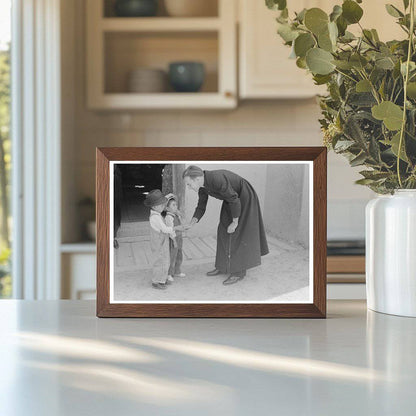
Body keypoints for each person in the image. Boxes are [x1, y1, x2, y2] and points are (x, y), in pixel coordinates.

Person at [183, 165, 269, 285]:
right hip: (231, 200)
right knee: (223, 230)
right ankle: (222, 266)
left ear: (196, 179)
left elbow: (235, 199)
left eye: (188, 184)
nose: (189, 187)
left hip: (243, 197)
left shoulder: (216, 179)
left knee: (238, 233)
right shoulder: (202, 186)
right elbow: (201, 206)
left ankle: (238, 272)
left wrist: (235, 222)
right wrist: (192, 223)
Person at [144, 189, 185, 290]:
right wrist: (176, 228)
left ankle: (162, 279)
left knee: (165, 261)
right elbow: (165, 229)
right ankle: (156, 281)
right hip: (159, 244)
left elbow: (161, 203)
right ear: (154, 206)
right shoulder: (155, 218)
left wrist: (167, 197)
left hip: (162, 243)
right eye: (161, 205)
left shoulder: (156, 212)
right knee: (160, 262)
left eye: (163, 204)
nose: (163, 207)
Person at [165, 195, 186, 280]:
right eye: (173, 205)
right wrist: (173, 240)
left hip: (179, 238)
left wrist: (179, 214)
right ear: (167, 208)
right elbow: (170, 230)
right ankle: (169, 273)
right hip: (173, 239)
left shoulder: (176, 215)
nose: (176, 206)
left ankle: (177, 271)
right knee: (172, 256)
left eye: (176, 205)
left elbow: (182, 223)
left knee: (179, 255)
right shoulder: (169, 217)